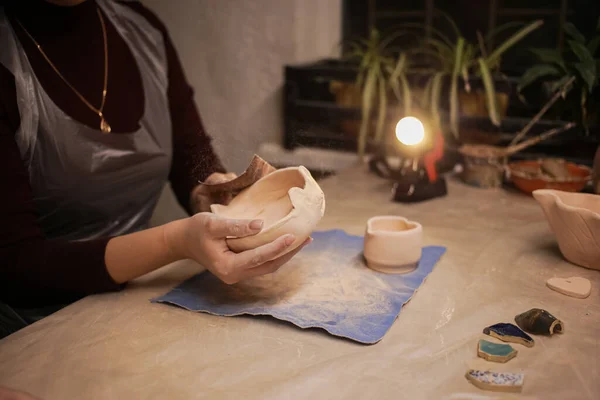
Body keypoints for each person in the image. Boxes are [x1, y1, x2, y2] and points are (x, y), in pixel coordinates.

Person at [0, 0, 309, 339]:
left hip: (133, 302)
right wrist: (173, 242)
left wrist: (213, 192)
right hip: (32, 332)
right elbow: (15, 266)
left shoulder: (141, 29)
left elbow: (189, 155)